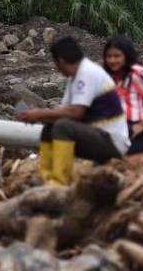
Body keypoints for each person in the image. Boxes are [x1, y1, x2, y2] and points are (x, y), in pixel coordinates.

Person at [18, 36, 129, 185]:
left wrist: (40, 113)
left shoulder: (87, 73)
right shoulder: (75, 78)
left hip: (113, 142)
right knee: (50, 128)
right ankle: (45, 176)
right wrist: (37, 116)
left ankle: (59, 182)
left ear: (61, 61)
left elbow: (76, 113)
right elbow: (65, 114)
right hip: (98, 135)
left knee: (62, 127)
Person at [104, 35, 143, 154]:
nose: (112, 60)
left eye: (117, 56)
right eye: (109, 56)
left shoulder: (136, 73)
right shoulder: (110, 77)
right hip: (117, 130)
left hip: (135, 133)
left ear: (126, 56)